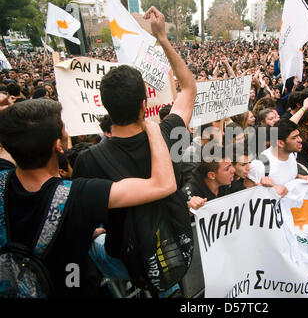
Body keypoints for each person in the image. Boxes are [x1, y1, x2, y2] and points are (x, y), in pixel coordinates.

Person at [72, 6, 196, 289]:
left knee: (92, 243)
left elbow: (85, 220)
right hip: (176, 244)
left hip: (125, 260)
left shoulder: (88, 161)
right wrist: (162, 38)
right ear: (144, 105)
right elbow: (188, 88)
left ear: (105, 108)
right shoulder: (168, 132)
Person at [0, 99, 176, 297]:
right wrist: (152, 129)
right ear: (58, 146)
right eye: (63, 126)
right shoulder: (79, 196)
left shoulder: (2, 181)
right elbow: (164, 184)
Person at [246, 119, 308, 197]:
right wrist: (266, 188)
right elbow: (247, 189)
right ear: (280, 143)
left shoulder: (292, 154)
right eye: (294, 138)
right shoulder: (260, 165)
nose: (300, 140)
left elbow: (286, 175)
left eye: (299, 136)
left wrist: (302, 178)